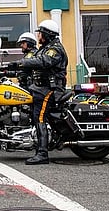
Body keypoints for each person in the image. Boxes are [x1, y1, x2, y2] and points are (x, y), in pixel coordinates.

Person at [8, 20, 68, 165]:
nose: (39, 36)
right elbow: (30, 65)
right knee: (35, 116)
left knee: (39, 118)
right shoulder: (45, 48)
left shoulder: (55, 49)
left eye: (40, 33)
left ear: (47, 34)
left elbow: (43, 62)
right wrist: (5, 70)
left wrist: (18, 63)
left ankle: (42, 153)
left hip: (51, 89)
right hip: (40, 88)